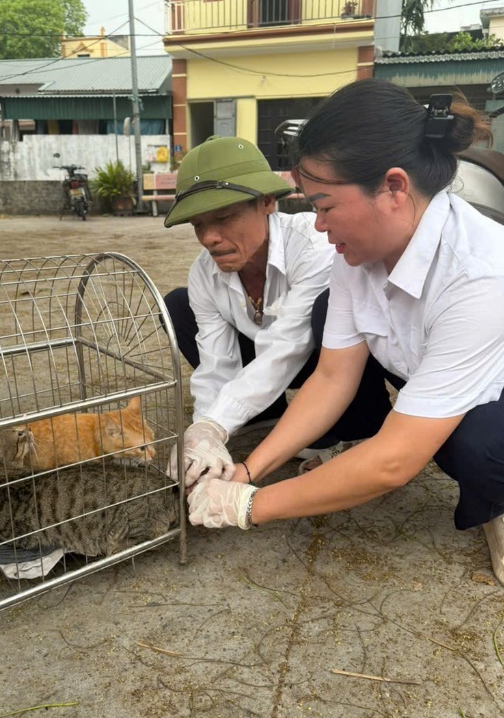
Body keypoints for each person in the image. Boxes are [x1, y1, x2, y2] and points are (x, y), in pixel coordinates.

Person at [187, 79, 504, 598]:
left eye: (325, 205)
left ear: (394, 187)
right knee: (331, 317)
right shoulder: (357, 254)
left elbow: (396, 461)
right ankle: (364, 450)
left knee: (474, 434)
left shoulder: (483, 278)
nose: (317, 222)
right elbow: (333, 377)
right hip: (465, 376)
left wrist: (249, 507)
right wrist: (248, 469)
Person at [163, 135, 393, 488]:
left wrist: (219, 422)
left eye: (223, 217)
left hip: (319, 361)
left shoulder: (313, 247)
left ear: (267, 202)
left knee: (327, 310)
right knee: (178, 304)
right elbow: (215, 363)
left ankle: (361, 427)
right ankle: (264, 413)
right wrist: (205, 430)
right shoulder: (204, 272)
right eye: (198, 224)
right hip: (267, 356)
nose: (209, 237)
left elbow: (286, 348)